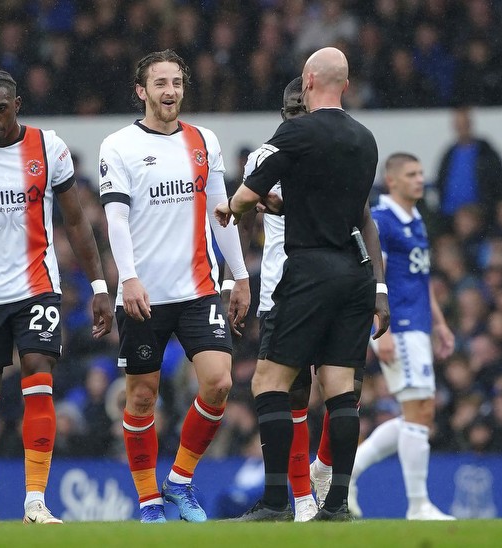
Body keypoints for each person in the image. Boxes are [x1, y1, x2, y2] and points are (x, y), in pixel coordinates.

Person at [215, 47, 389, 522]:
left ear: (308, 81)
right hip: (355, 272)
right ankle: (337, 505)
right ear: (346, 85)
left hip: (309, 270)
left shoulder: (295, 133)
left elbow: (247, 194)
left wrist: (235, 206)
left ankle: (275, 502)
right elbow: (349, 210)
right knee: (339, 389)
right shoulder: (366, 139)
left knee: (270, 381)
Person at [0, 69, 113, 525]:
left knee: (39, 378)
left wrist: (98, 286)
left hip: (38, 287)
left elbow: (75, 222)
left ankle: (35, 501)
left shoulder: (48, 148)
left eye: (0, 108)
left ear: (17, 104)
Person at [98, 49, 250, 523]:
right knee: (142, 397)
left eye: (177, 83)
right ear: (141, 91)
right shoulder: (118, 145)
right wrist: (128, 278)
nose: (170, 92)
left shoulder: (203, 139)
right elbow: (115, 219)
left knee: (220, 382)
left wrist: (240, 274)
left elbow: (221, 212)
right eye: (160, 83)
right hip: (144, 294)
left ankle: (179, 482)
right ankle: (148, 503)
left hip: (198, 288)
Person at [348, 153, 457, 520]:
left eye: (421, 172)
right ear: (391, 180)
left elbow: (420, 280)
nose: (420, 179)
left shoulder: (416, 220)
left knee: (420, 413)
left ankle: (346, 475)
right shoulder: (381, 221)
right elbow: (370, 280)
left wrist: (439, 324)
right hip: (398, 326)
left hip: (420, 325)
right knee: (417, 411)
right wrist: (381, 331)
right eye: (411, 173)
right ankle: (418, 505)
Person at [240, 76, 317, 522]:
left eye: (301, 110)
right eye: (289, 112)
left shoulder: (333, 151)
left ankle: (324, 486)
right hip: (279, 288)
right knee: (294, 392)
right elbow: (247, 216)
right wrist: (239, 279)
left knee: (343, 390)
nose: (294, 117)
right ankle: (301, 498)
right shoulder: (265, 157)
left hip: (327, 285)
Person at [434, 107, 502, 227]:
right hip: (449, 216)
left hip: (479, 215)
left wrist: (486, 208)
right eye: (458, 124)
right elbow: (440, 182)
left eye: (464, 124)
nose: (461, 128)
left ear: (470, 124)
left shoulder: (486, 152)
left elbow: (499, 182)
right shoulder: (449, 153)